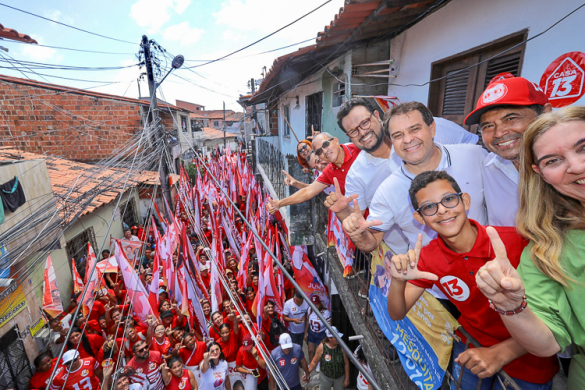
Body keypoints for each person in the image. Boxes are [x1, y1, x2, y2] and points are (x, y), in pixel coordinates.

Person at [386, 170, 558, 389]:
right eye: (429, 207)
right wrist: (397, 280)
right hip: (470, 346)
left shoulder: (517, 241)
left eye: (448, 199)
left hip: (530, 357)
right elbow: (397, 313)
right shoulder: (428, 257)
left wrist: (500, 353)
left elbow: (553, 318)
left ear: (464, 200)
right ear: (420, 218)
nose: (442, 211)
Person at [475, 106, 585, 388]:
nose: (577, 166)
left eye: (583, 147)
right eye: (554, 160)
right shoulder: (548, 249)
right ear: (541, 173)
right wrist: (513, 308)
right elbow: (547, 341)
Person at [342, 101, 487, 255]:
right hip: (432, 276)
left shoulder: (475, 156)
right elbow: (371, 241)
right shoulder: (387, 191)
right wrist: (357, 233)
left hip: (491, 265)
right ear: (392, 141)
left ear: (432, 129)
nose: (408, 139)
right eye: (398, 135)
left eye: (415, 129)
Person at [463, 77, 552, 226]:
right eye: (488, 126)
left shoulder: (574, 167)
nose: (498, 133)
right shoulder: (490, 167)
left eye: (510, 118)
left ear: (545, 114)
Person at [267, 132, 360, 214]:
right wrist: (279, 203)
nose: (325, 151)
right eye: (319, 151)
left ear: (336, 140)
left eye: (326, 144)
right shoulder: (329, 172)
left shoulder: (357, 148)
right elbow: (308, 191)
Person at [305, 295, 331, 364]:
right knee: (310, 350)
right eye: (313, 304)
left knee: (321, 350)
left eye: (316, 304)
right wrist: (305, 333)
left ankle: (319, 363)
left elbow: (329, 325)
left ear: (319, 303)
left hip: (321, 333)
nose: (314, 306)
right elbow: (308, 321)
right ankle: (311, 364)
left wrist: (327, 336)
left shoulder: (325, 313)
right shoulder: (310, 309)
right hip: (312, 332)